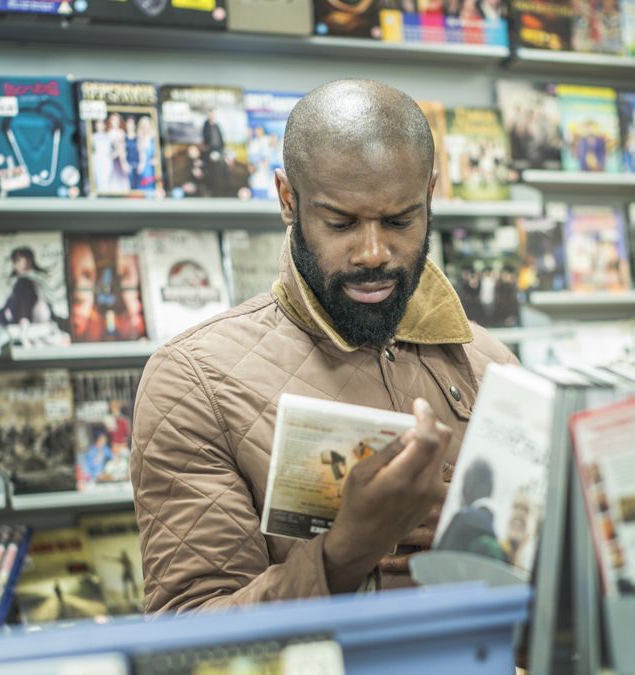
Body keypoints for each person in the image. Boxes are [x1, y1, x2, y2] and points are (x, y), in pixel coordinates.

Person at [131, 80, 516, 614]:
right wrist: (343, 554)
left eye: (401, 220)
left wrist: (503, 547)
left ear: (429, 195)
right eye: (341, 222)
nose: (373, 253)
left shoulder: (493, 366)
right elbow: (188, 637)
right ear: (289, 199)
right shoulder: (195, 379)